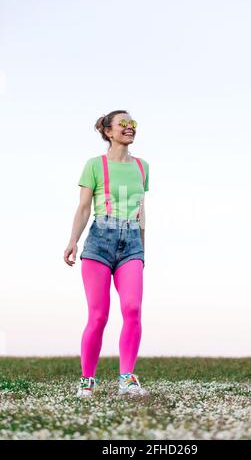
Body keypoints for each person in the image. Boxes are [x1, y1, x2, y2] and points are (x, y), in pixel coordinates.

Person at [63, 110, 150, 398]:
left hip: (131, 244)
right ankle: (87, 379)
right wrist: (73, 240)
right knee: (98, 316)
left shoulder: (142, 167)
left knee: (133, 309)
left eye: (132, 124)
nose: (129, 128)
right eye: (123, 124)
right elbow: (85, 207)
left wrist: (142, 247)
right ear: (108, 132)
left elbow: (141, 210)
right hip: (100, 240)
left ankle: (127, 378)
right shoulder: (94, 165)